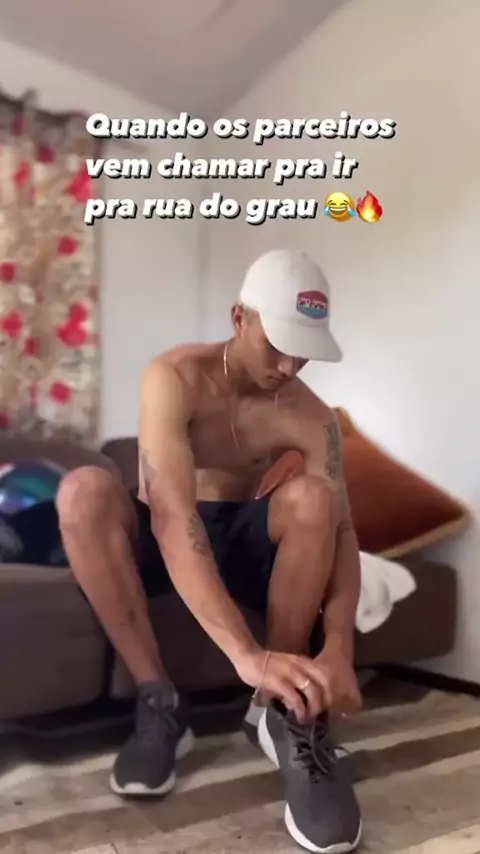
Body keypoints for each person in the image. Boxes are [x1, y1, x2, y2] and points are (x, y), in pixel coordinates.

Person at [56, 249, 363, 854]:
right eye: (277, 344)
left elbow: (344, 534)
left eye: (303, 351)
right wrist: (244, 653)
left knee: (316, 500)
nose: (288, 365)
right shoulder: (175, 377)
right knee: (82, 491)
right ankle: (159, 700)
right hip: (166, 530)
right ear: (238, 318)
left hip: (241, 539)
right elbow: (172, 515)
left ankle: (280, 709)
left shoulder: (313, 417)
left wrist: (340, 646)